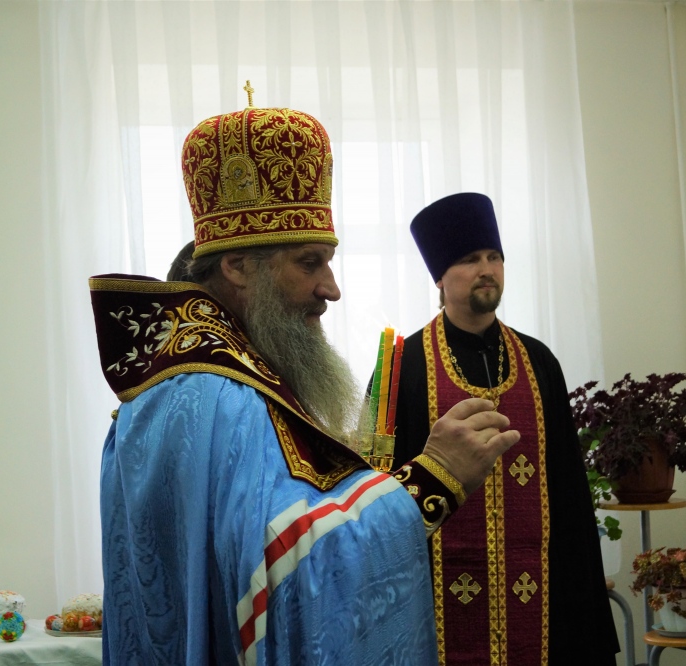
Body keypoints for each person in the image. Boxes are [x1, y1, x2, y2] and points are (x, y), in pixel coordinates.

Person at [89, 102, 521, 665]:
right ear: (238, 267)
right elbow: (287, 571)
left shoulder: (181, 378)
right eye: (310, 262)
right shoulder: (220, 395)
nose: (331, 288)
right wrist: (433, 478)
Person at [386, 192, 620, 665]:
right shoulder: (403, 366)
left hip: (541, 598)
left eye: (494, 257)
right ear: (440, 277)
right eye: (470, 259)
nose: (487, 269)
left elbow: (570, 492)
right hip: (435, 599)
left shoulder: (538, 361)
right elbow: (387, 492)